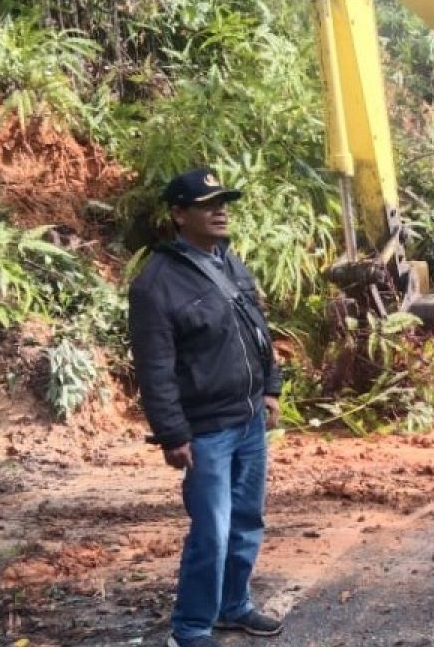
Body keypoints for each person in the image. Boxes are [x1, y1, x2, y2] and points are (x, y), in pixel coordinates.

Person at [129, 168, 284, 647]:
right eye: (207, 204)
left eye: (223, 202)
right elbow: (155, 367)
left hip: (249, 419)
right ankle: (192, 628)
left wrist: (271, 387)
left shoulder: (228, 260)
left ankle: (233, 607)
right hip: (206, 431)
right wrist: (173, 434)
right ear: (178, 214)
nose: (220, 211)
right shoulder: (156, 284)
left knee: (246, 520)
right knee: (212, 532)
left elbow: (257, 328)